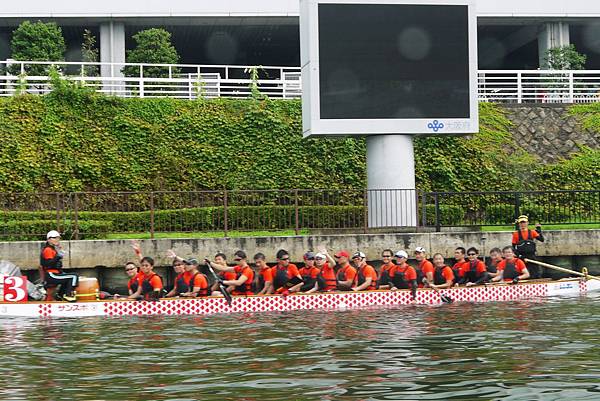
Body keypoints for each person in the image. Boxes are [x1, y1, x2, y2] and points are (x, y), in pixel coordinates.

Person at [39, 230, 79, 302]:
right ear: (49, 239)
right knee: (74, 276)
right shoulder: (48, 250)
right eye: (55, 238)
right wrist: (58, 256)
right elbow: (48, 264)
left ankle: (60, 295)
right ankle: (68, 294)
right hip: (51, 274)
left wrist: (58, 254)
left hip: (55, 273)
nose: (57, 240)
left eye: (58, 238)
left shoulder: (53, 249)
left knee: (68, 277)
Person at [512, 215, 545, 279]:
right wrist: (520, 256)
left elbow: (542, 239)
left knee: (536, 272)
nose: (523, 224)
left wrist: (539, 231)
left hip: (531, 256)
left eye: (524, 222)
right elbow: (513, 248)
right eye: (521, 223)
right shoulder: (516, 234)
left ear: (527, 223)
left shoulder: (532, 232)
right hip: (521, 257)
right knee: (521, 272)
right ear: (519, 224)